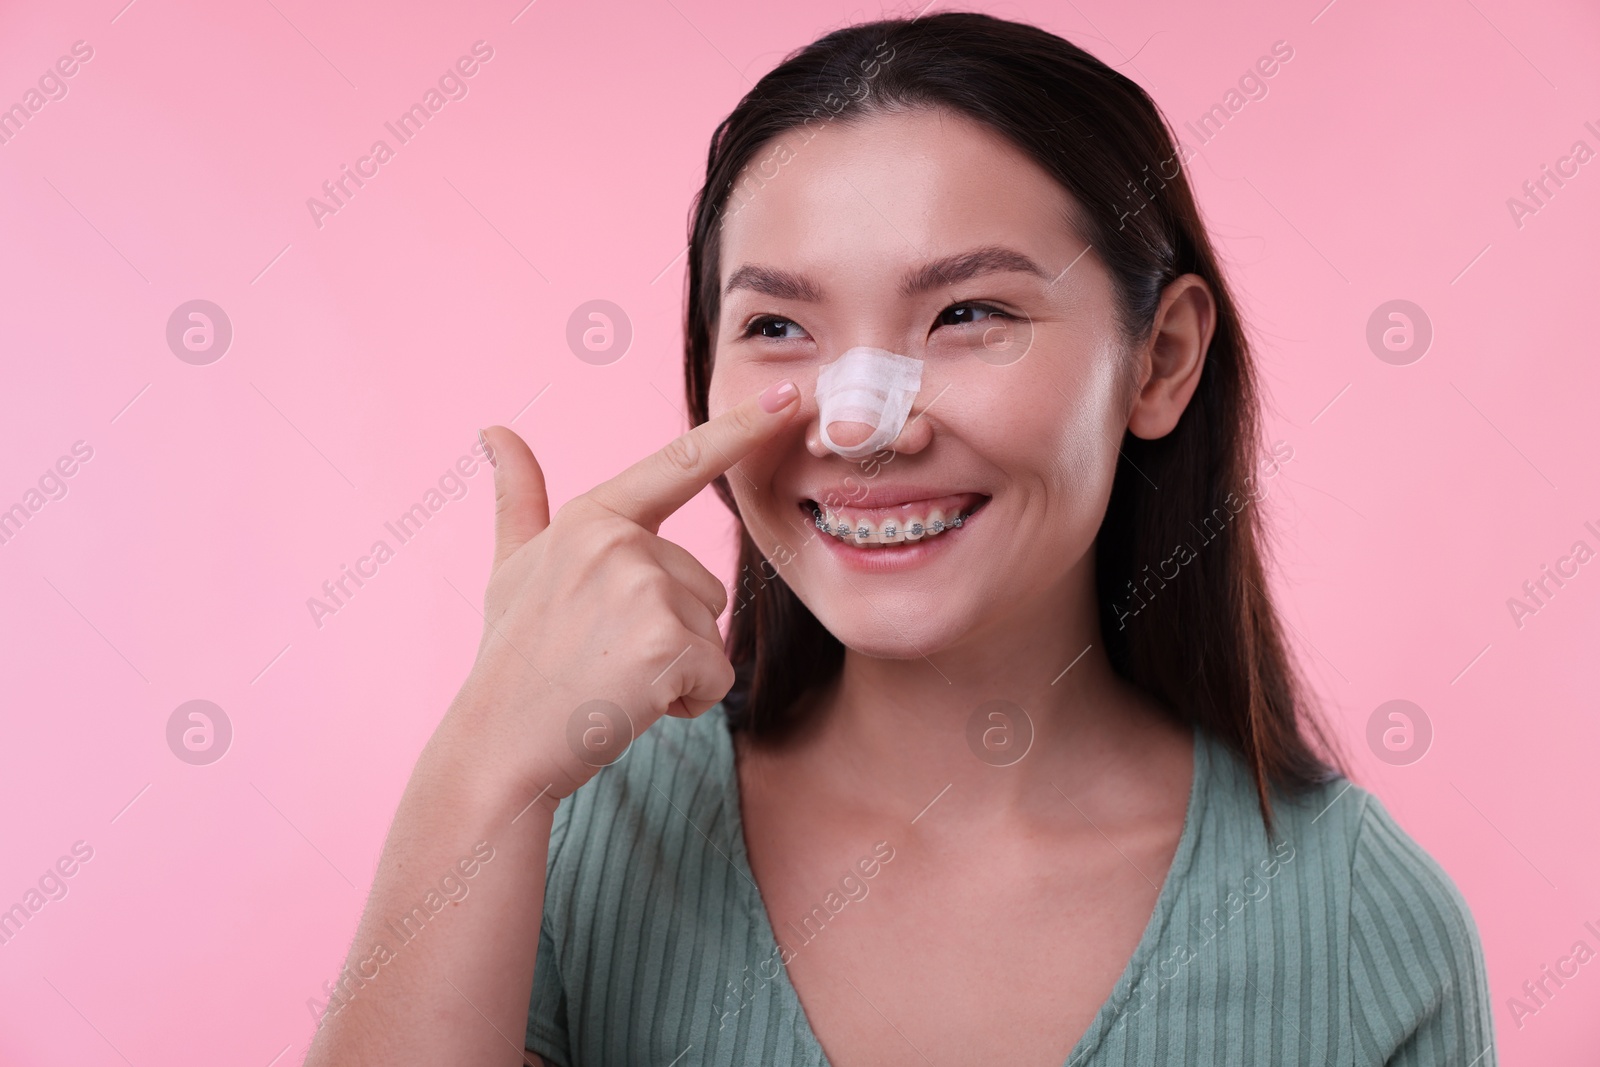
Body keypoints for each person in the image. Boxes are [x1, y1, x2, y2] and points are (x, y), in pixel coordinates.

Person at [302, 11, 1495, 1066]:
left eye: (968, 313)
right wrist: (480, 767)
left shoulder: (1358, 927)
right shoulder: (567, 839)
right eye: (777, 323)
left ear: (1161, 358)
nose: (859, 425)